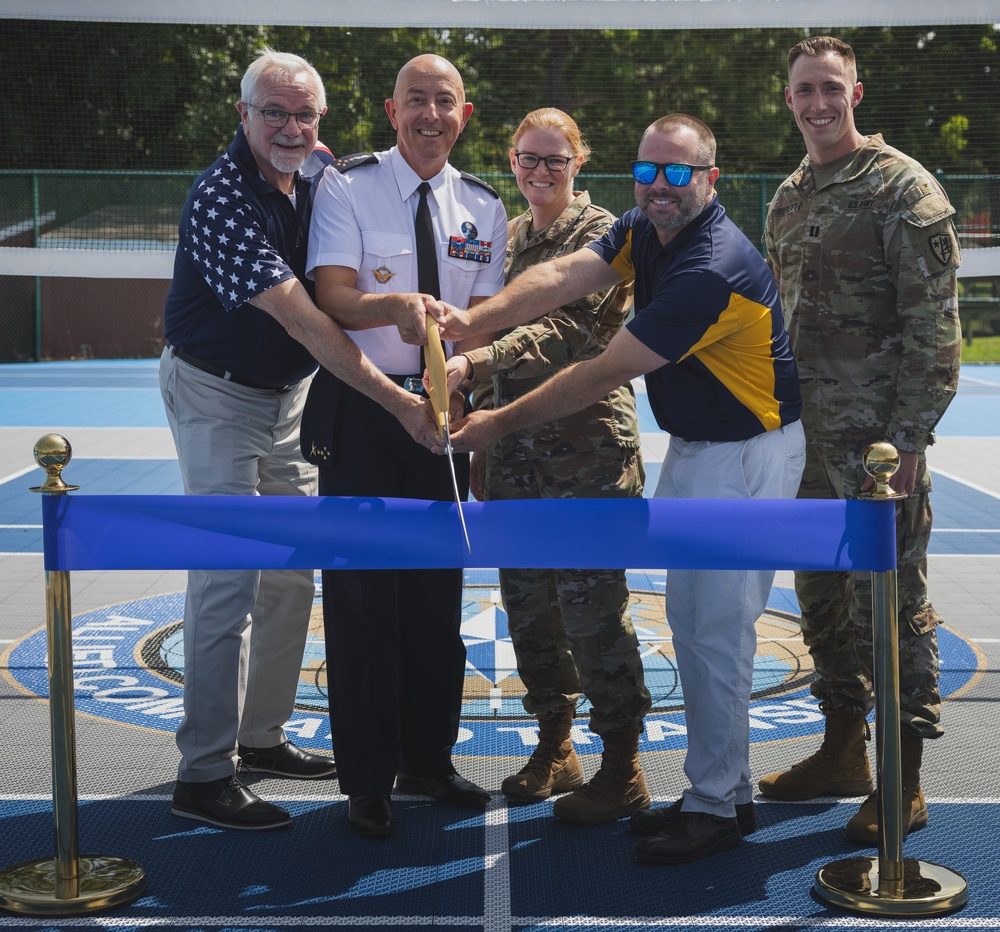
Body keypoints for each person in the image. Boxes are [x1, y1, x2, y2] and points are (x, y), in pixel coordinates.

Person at [433, 113, 805, 864]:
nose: (659, 186)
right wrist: (470, 324)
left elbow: (603, 371)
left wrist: (495, 423)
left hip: (749, 458)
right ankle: (718, 793)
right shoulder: (645, 228)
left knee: (720, 634)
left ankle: (715, 806)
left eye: (677, 172)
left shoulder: (710, 267)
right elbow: (562, 276)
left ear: (710, 178)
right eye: (648, 171)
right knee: (697, 630)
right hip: (702, 452)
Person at [160, 48, 438, 831]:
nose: (290, 127)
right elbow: (310, 322)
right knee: (227, 579)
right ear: (241, 115)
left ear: (321, 123)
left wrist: (397, 306)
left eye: (304, 114)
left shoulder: (318, 174)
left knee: (290, 576)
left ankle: (260, 737)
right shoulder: (221, 198)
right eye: (273, 112)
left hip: (286, 400)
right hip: (216, 395)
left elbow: (345, 280)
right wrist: (398, 403)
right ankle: (203, 771)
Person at [298, 53, 507, 839]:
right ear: (391, 111)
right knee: (361, 605)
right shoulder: (346, 186)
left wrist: (466, 385)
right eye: (414, 100)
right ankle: (367, 780)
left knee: (434, 601)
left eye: (443, 102)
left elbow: (485, 316)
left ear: (465, 114)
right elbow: (335, 300)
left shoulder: (482, 206)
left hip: (444, 419)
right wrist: (394, 308)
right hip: (361, 415)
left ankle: (428, 760)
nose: (429, 115)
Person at [760, 36, 962, 844]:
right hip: (805, 447)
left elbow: (935, 331)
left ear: (857, 93)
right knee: (820, 601)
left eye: (830, 88)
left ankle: (902, 780)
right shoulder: (789, 194)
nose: (817, 103)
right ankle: (843, 747)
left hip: (879, 455)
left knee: (892, 608)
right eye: (804, 90)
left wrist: (909, 439)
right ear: (789, 99)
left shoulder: (901, 188)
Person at [448, 108, 652, 825]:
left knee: (593, 610)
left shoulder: (605, 235)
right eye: (528, 160)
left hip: (586, 452)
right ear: (511, 160)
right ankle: (556, 745)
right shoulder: (504, 238)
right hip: (512, 451)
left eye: (554, 161)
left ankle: (622, 763)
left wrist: (474, 356)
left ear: (578, 163)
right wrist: (481, 433)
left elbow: (566, 332)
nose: (539, 173)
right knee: (528, 607)